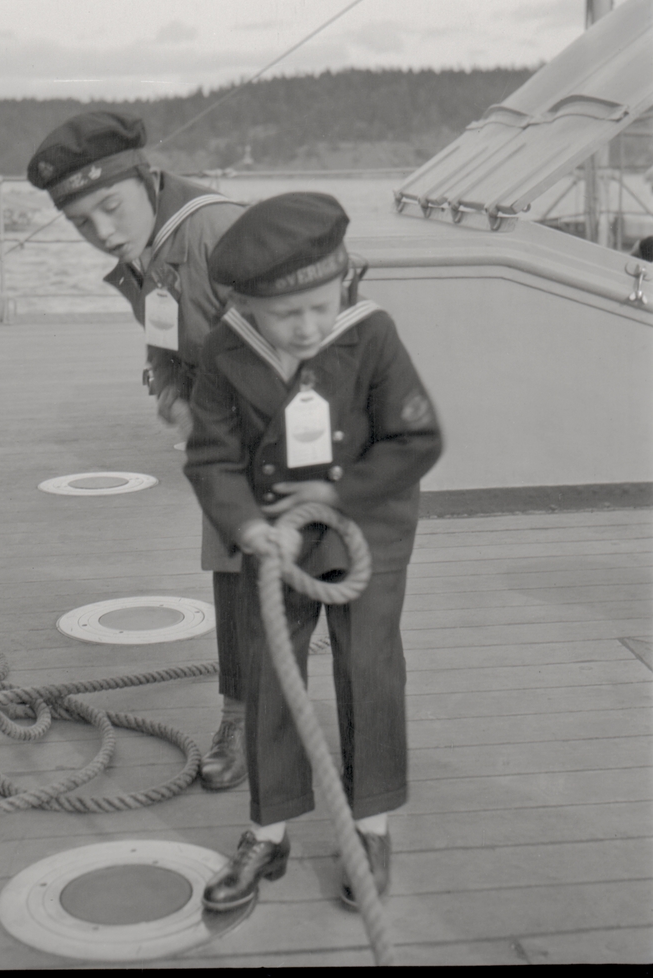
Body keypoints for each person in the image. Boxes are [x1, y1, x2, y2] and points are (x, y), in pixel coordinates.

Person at [183, 192, 443, 911]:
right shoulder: (226, 349)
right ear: (248, 308)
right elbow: (211, 457)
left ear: (345, 282)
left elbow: (416, 441)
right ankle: (267, 834)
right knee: (269, 677)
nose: (305, 327)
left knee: (369, 670)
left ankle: (370, 828)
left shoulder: (373, 336)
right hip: (274, 539)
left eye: (320, 307)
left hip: (369, 529)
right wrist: (245, 525)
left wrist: (334, 499)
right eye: (284, 315)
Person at [26, 109, 250, 790]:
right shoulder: (148, 248)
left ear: (146, 178)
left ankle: (346, 758)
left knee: (317, 593)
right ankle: (243, 718)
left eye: (109, 207)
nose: (103, 232)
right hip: (230, 440)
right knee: (236, 578)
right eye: (81, 222)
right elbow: (169, 339)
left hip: (303, 438)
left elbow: (306, 341)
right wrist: (172, 390)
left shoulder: (220, 233)